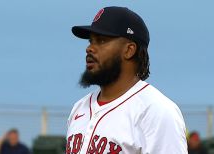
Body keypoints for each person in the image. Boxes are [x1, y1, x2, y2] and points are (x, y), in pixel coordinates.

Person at [66, 6, 187, 153]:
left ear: (129, 50)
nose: (90, 48)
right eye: (91, 41)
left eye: (101, 40)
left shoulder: (156, 111)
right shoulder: (79, 107)